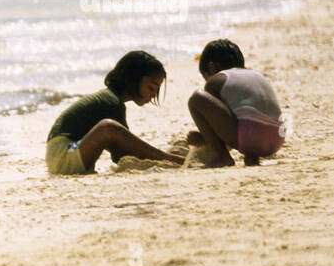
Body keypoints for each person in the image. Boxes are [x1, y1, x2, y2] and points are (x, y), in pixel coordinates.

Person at [45, 51, 185, 175]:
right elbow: (122, 155)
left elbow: (123, 150)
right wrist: (163, 157)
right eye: (151, 88)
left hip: (62, 154)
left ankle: (164, 156)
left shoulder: (111, 99)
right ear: (133, 79)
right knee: (108, 127)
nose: (153, 95)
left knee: (112, 129)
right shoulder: (112, 102)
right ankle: (168, 157)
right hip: (64, 154)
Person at [186, 39, 284, 167]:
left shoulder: (217, 80)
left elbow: (219, 125)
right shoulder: (257, 76)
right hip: (277, 139)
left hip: (249, 137)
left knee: (196, 99)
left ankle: (223, 157)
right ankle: (251, 156)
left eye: (206, 77)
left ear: (212, 67)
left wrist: (204, 137)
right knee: (245, 110)